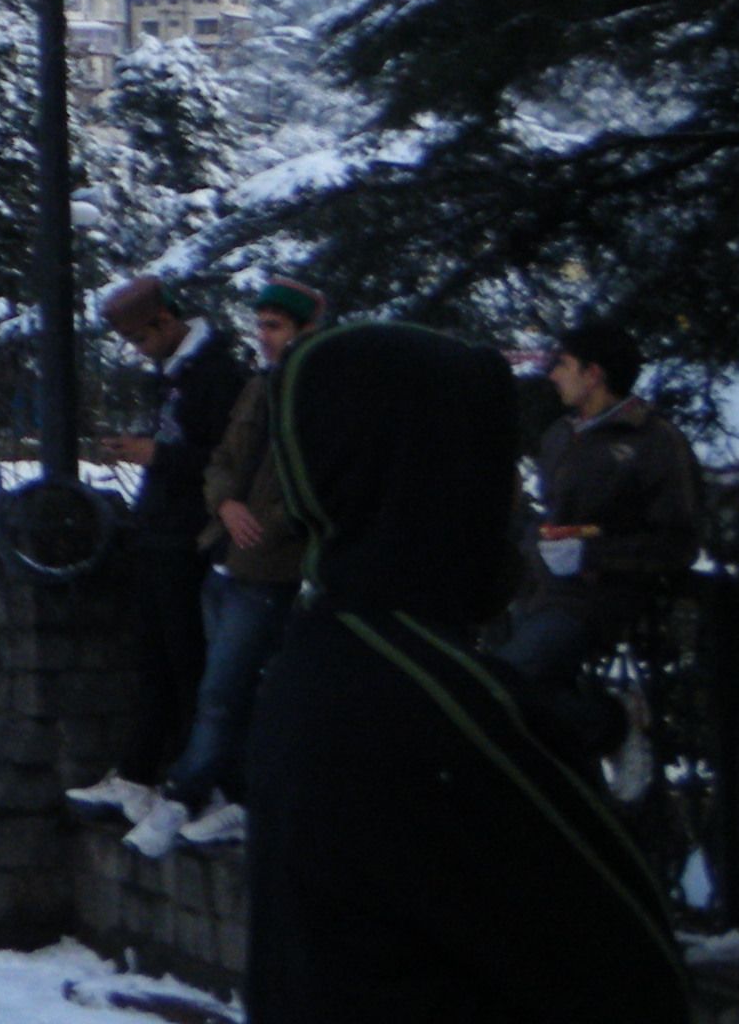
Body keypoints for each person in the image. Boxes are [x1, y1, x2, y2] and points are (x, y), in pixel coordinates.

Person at [245, 319, 686, 1024]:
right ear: (437, 481)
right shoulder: (428, 702)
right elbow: (631, 976)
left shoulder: (328, 654)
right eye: (494, 467)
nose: (510, 496)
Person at [131, 278, 324, 858]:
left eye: (276, 327)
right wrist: (226, 503)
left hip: (270, 562)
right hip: (226, 553)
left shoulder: (316, 393)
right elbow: (224, 460)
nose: (264, 338)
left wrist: (259, 514)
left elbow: (308, 482)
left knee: (222, 688)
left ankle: (183, 795)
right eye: (260, 325)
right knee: (232, 688)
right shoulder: (260, 387)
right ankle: (238, 797)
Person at [68, 277, 253, 825]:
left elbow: (225, 460)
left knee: (185, 660)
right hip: (162, 527)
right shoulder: (176, 376)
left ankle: (199, 780)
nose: (135, 349)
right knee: (157, 658)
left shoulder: (215, 375)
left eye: (138, 338)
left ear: (164, 322)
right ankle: (141, 772)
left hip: (188, 533)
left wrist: (158, 456)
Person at [501, 316, 701, 685]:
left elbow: (679, 542)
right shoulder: (559, 436)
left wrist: (591, 555)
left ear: (592, 374)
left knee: (508, 684)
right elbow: (552, 517)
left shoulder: (654, 441)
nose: (553, 375)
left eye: (562, 365)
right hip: (536, 596)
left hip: (595, 606)